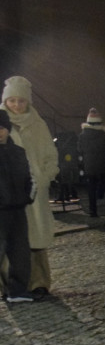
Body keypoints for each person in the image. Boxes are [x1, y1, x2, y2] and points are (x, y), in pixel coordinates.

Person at [1, 76, 58, 298]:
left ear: (28, 102)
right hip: (5, 196)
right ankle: (8, 286)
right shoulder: (1, 122)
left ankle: (38, 282)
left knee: (35, 238)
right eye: (12, 100)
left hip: (33, 193)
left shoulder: (38, 124)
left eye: (21, 101)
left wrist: (44, 179)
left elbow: (50, 157)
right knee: (6, 241)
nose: (16, 105)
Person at [0, 109, 36, 304]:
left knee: (20, 252)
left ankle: (18, 291)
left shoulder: (19, 153)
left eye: (2, 128)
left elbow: (31, 179)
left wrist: (28, 198)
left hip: (18, 211)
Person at [77, 108, 105, 217]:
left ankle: (93, 211)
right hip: (103, 165)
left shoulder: (82, 136)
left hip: (89, 166)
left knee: (91, 190)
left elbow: (79, 150)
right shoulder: (103, 135)